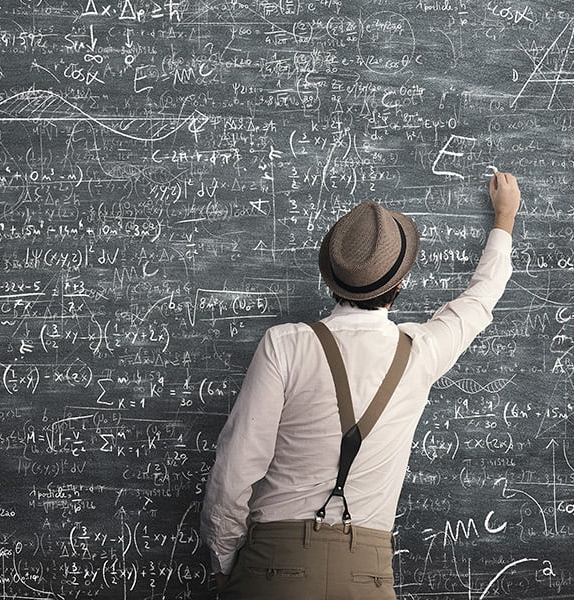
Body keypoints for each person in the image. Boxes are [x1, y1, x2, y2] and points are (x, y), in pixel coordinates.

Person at [201, 173, 521, 598]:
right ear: (400, 284)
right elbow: (479, 300)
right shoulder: (420, 352)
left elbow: (236, 465)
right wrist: (504, 218)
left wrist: (225, 559)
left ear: (331, 279)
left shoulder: (286, 345)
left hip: (272, 565)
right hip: (365, 573)